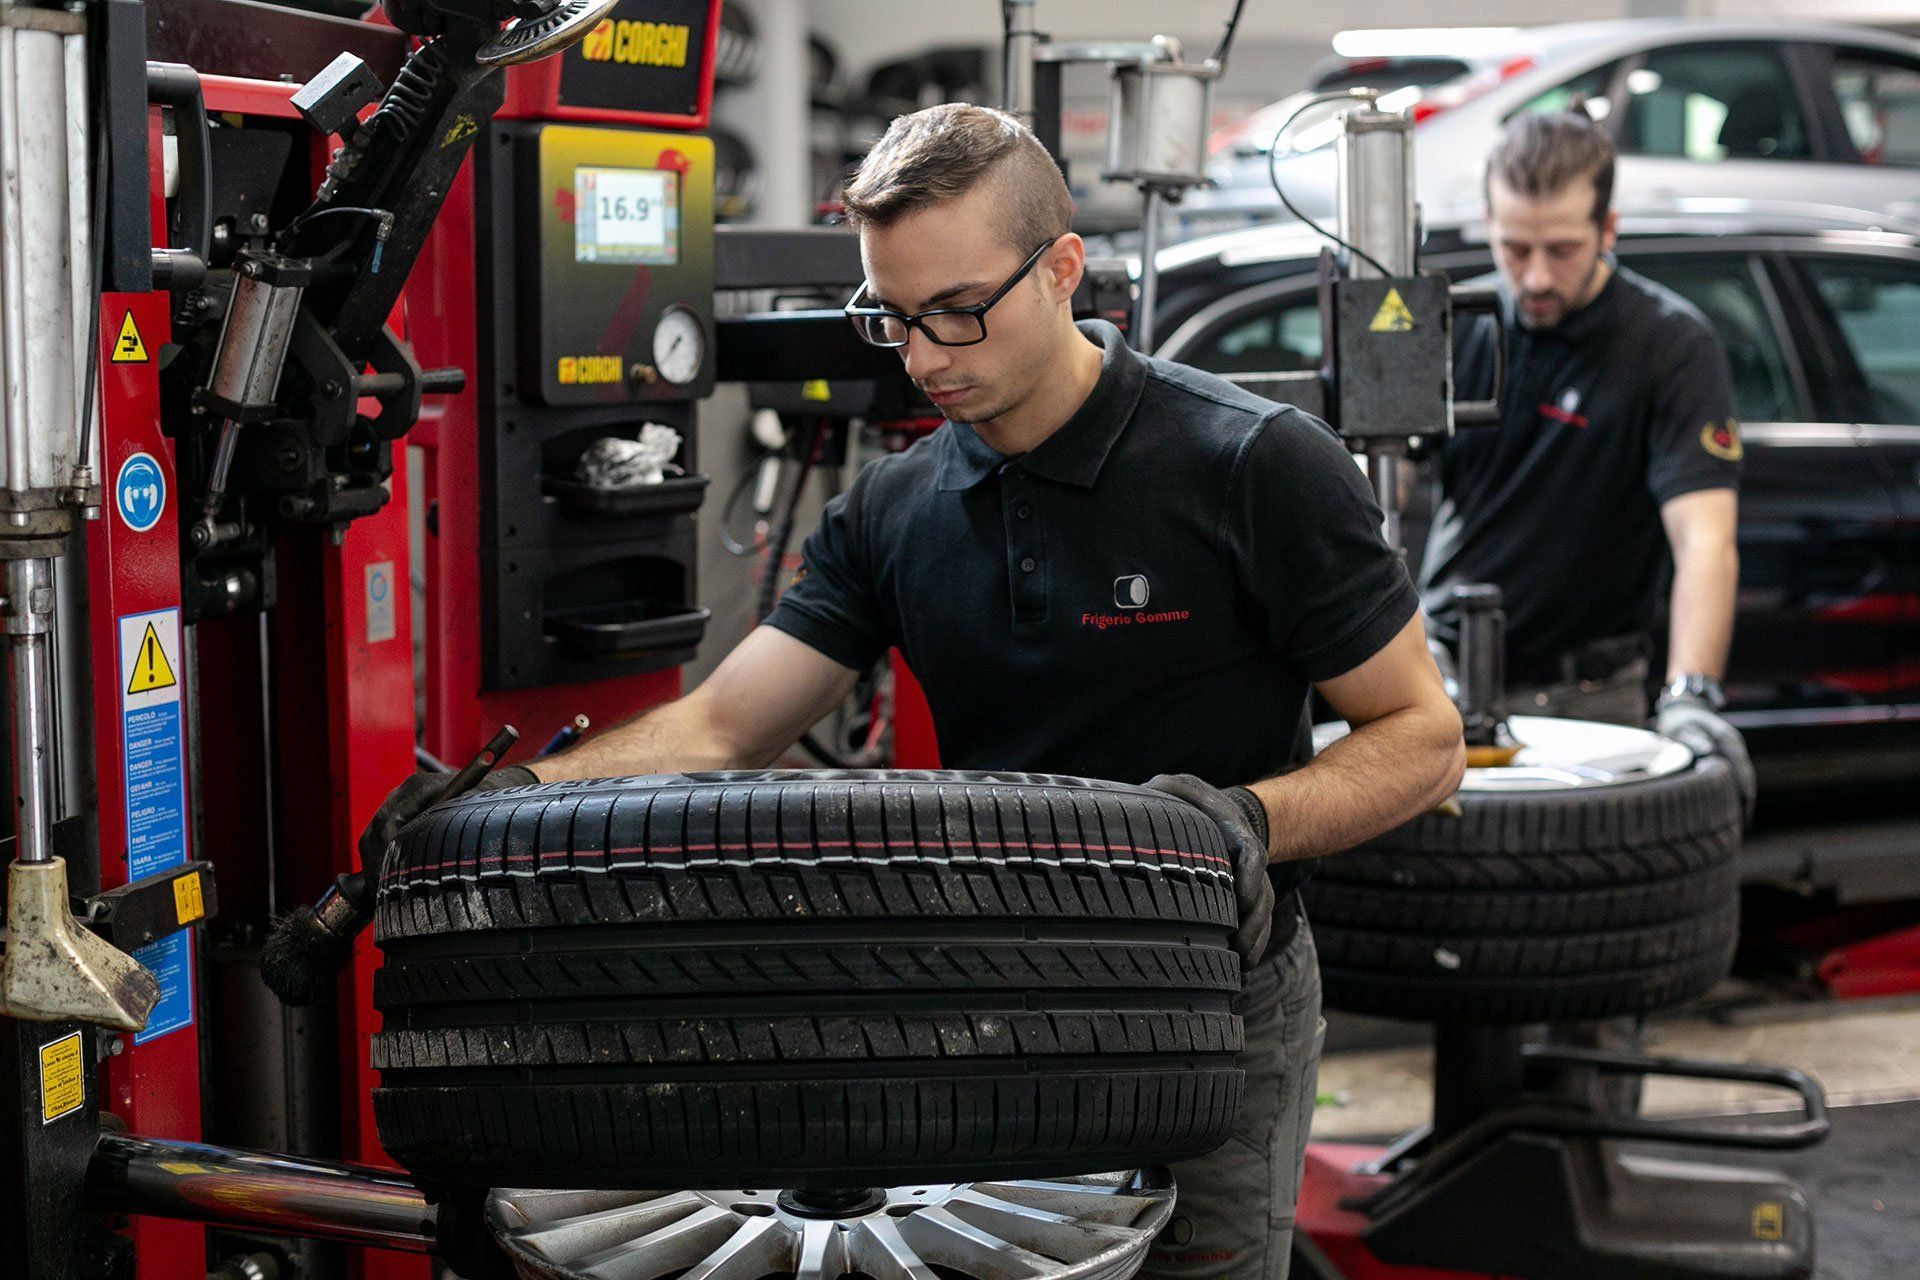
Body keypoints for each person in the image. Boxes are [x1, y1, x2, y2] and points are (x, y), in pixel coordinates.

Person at [368, 104, 1464, 1280]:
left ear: (1063, 268)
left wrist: (1233, 824)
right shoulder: (894, 510)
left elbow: (1422, 736)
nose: (926, 357)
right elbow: (723, 726)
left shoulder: (1253, 462)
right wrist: (514, 798)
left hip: (1211, 984)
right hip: (982, 984)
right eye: (892, 317)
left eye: (958, 310)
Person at [1420, 110, 1754, 803]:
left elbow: (1704, 541)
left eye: (1563, 250)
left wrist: (1692, 694)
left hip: (1593, 700)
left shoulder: (1670, 346)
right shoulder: (1454, 327)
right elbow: (1371, 503)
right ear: (1487, 223)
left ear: (1609, 230)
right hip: (1442, 685)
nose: (1537, 277)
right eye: (1515, 249)